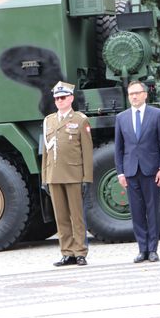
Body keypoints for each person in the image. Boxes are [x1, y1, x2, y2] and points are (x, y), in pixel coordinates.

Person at [114, 81, 160, 263]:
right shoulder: (121, 118)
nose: (134, 97)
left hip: (151, 170)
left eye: (137, 93)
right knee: (136, 211)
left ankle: (153, 249)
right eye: (131, 94)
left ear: (145, 94)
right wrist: (120, 172)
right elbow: (119, 148)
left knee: (152, 210)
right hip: (131, 171)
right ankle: (142, 249)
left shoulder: (157, 114)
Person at [42, 81, 93, 266]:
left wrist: (87, 177)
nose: (59, 101)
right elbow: (46, 152)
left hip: (73, 174)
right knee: (61, 216)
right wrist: (44, 177)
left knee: (76, 216)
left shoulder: (80, 120)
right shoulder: (49, 120)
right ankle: (67, 252)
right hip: (54, 176)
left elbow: (87, 152)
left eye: (62, 97)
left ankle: (80, 251)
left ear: (71, 98)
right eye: (56, 98)